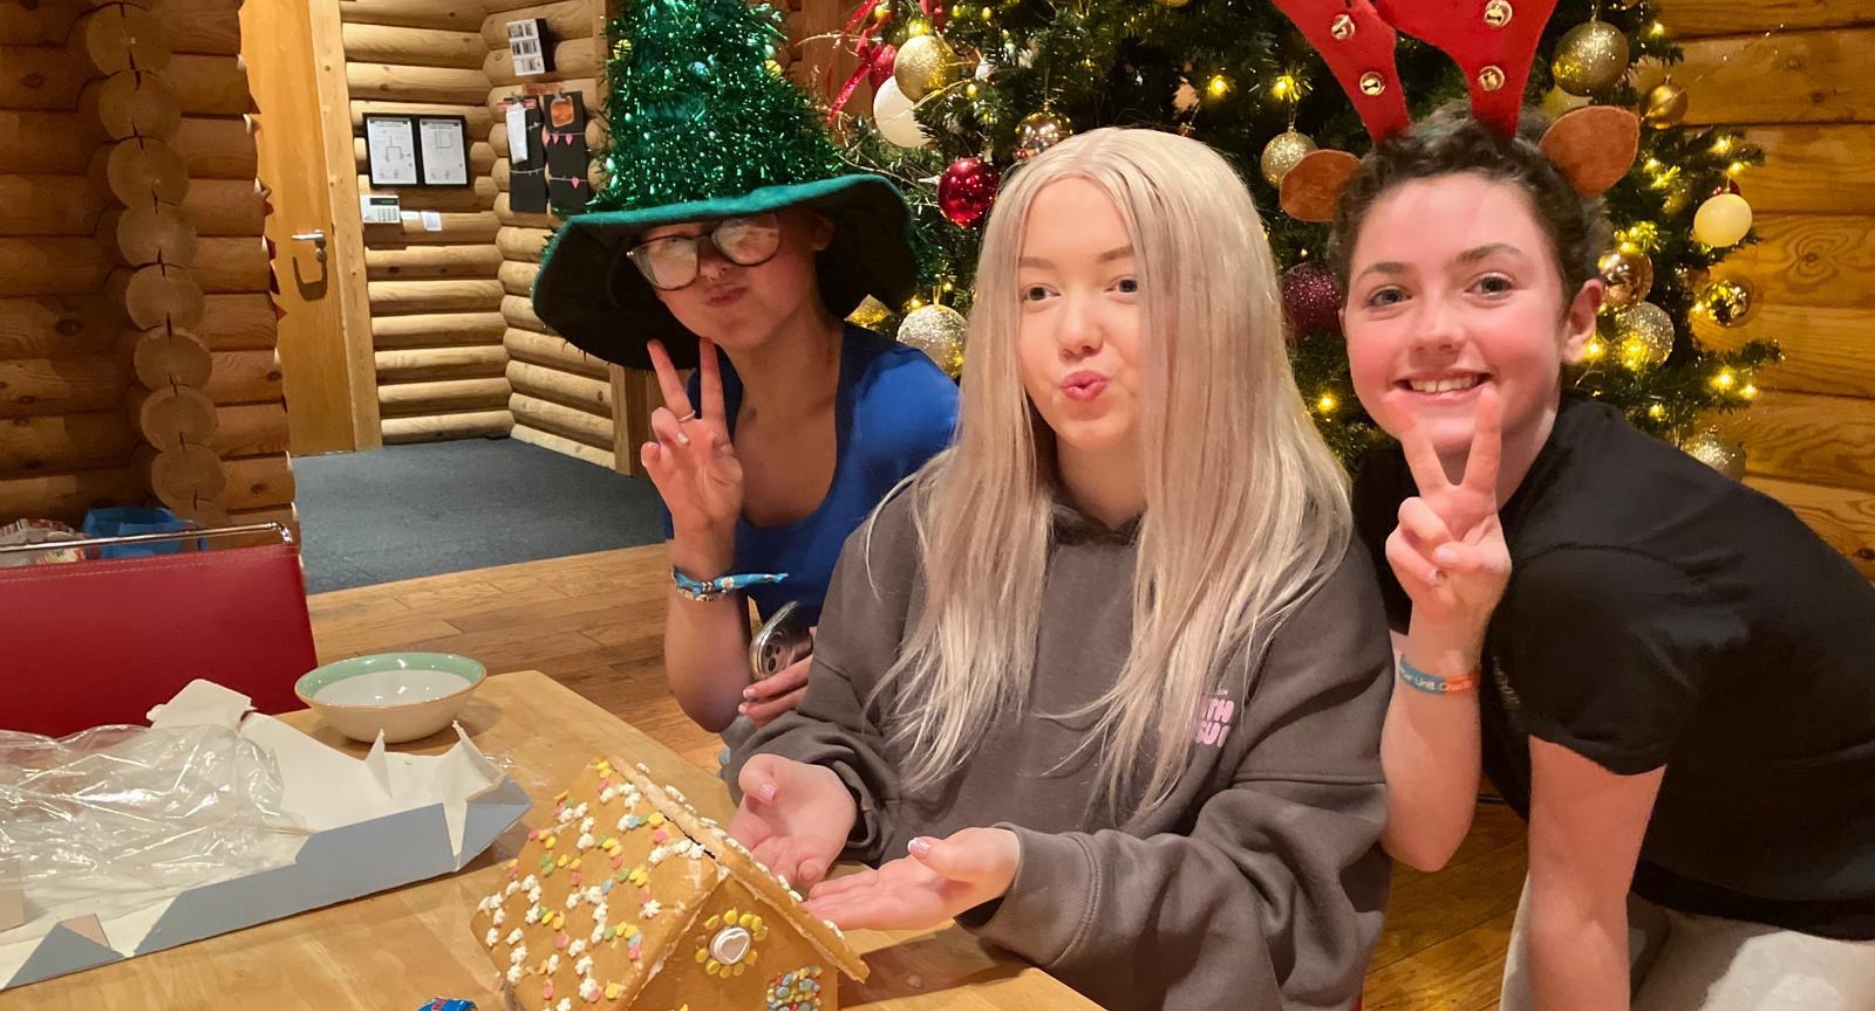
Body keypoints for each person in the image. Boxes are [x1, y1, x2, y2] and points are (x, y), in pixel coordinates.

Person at [721, 128, 1393, 1011]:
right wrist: (818, 782)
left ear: (1224, 304)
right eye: (1036, 291)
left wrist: (1024, 877)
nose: (1073, 331)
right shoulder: (916, 530)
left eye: (1127, 284)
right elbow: (829, 724)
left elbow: (1288, 909)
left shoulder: (1298, 579)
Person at [1339, 104, 1875, 1010]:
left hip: (1830, 892)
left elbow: (1575, 910)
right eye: (1387, 294)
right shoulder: (1392, 484)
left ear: (1577, 318)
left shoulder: (1600, 567)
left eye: (1489, 284)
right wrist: (1443, 620)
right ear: (1345, 322)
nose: (1431, 329)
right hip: (1655, 852)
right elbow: (1426, 837)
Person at [533, 152, 957, 750]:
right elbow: (716, 703)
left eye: (744, 231)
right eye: (672, 248)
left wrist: (865, 675)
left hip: (928, 767)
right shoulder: (708, 429)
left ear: (816, 228)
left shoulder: (912, 414)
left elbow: (1014, 644)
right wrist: (702, 536)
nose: (709, 270)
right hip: (797, 754)